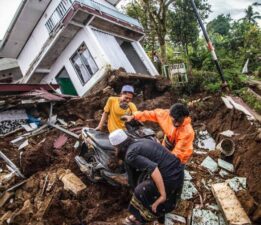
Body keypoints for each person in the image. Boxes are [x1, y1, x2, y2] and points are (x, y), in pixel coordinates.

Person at [109, 129, 184, 225]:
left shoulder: (130, 155)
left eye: (115, 148)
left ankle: (139, 218)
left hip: (170, 178)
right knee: (146, 185)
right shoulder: (140, 141)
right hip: (178, 172)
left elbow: (153, 169)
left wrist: (162, 194)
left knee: (140, 190)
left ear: (118, 147)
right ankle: (158, 218)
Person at [122, 103, 194, 164]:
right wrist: (133, 116)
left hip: (181, 156)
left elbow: (177, 154)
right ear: (170, 115)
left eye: (180, 121)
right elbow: (149, 114)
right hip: (167, 143)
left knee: (173, 169)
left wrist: (164, 163)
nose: (177, 124)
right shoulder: (164, 114)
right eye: (175, 121)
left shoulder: (187, 132)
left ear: (184, 118)